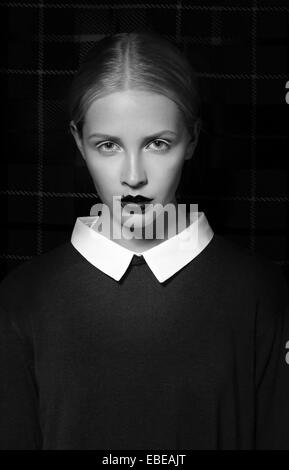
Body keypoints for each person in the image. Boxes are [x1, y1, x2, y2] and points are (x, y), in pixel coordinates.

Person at [0, 32, 289, 450]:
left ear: (191, 139)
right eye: (108, 146)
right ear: (79, 143)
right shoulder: (21, 297)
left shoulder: (259, 291)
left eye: (157, 143)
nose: (133, 176)